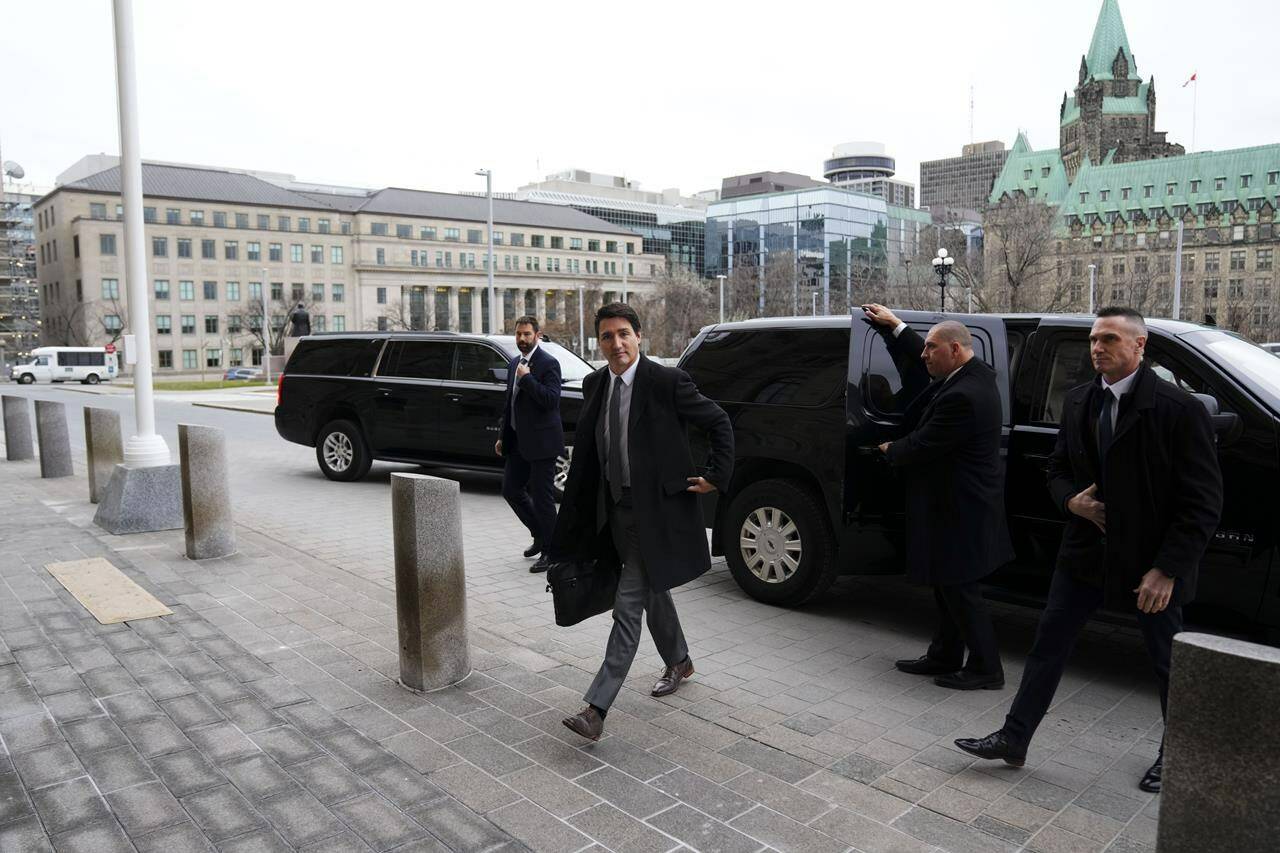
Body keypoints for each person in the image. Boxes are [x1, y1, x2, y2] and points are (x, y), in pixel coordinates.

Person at [955, 306, 1223, 793]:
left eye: (1111, 340)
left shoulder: (1179, 409)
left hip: (1151, 564)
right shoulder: (1080, 400)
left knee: (1168, 663)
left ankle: (1178, 754)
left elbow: (1203, 502)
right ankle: (1014, 740)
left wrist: (1168, 569)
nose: (1098, 347)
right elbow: (1057, 470)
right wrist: (1069, 502)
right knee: (1047, 649)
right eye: (1095, 339)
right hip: (1083, 555)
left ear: (1139, 347)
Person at [554, 303, 734, 741]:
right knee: (653, 590)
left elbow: (719, 422)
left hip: (653, 514)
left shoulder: (666, 382)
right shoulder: (596, 384)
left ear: (639, 336)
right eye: (606, 337)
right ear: (599, 342)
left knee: (628, 606)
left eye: (623, 334)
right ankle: (680, 660)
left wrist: (715, 475)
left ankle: (596, 708)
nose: (616, 344)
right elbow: (592, 453)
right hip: (611, 511)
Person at [862, 304, 1014, 691]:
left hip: (960, 508)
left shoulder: (962, 395)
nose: (925, 355)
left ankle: (985, 668)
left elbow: (923, 445)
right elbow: (930, 351)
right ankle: (944, 654)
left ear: (956, 351)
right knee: (948, 585)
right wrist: (897, 327)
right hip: (959, 505)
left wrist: (888, 450)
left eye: (931, 349)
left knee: (962, 590)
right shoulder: (973, 375)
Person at [495, 316, 563, 573]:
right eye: (518, 334)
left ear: (538, 335)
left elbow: (551, 400)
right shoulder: (514, 363)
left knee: (543, 498)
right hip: (517, 441)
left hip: (543, 443)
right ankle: (539, 534)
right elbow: (509, 403)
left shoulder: (548, 363)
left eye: (527, 334)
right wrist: (503, 436)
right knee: (511, 490)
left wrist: (527, 379)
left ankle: (552, 551)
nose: (522, 339)